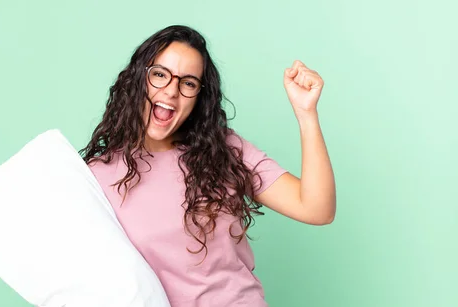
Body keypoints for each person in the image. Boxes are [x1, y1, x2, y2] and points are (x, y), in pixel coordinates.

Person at [79, 25, 336, 307]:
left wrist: (306, 113)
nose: (171, 91)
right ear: (138, 78)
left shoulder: (222, 148)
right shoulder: (97, 177)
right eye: (160, 75)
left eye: (188, 83)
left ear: (199, 96)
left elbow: (317, 209)